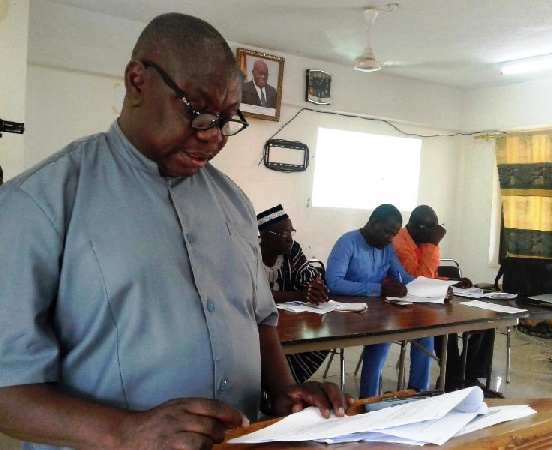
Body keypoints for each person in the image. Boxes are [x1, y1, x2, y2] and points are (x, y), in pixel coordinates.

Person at [0, 13, 350, 450]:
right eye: (199, 112)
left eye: (227, 119)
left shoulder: (234, 202)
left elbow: (258, 320)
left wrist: (282, 393)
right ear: (137, 82)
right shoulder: (38, 204)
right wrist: (124, 432)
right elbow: (7, 390)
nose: (214, 136)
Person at [393, 205, 496, 392]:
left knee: (485, 321)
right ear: (417, 227)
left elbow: (430, 276)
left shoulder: (421, 238)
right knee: (443, 325)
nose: (436, 232)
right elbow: (418, 279)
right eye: (432, 228)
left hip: (427, 299)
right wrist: (433, 243)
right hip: (404, 303)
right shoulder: (400, 243)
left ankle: (468, 376)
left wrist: (452, 282)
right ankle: (453, 379)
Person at [325, 204, 414, 398]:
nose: (390, 238)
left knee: (410, 334)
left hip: (375, 314)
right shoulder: (347, 242)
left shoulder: (387, 248)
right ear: (373, 223)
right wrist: (379, 289)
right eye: (387, 232)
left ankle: (375, 399)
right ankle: (369, 397)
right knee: (382, 331)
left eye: (394, 234)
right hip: (342, 314)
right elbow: (333, 283)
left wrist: (441, 286)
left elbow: (403, 277)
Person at [257, 204, 330, 383]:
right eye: (284, 234)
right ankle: (271, 385)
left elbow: (307, 276)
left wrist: (316, 286)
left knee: (318, 339)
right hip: (258, 323)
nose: (289, 239)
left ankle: (288, 383)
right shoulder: (250, 253)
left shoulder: (293, 251)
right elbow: (255, 294)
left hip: (288, 320)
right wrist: (300, 295)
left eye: (291, 232)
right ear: (265, 236)